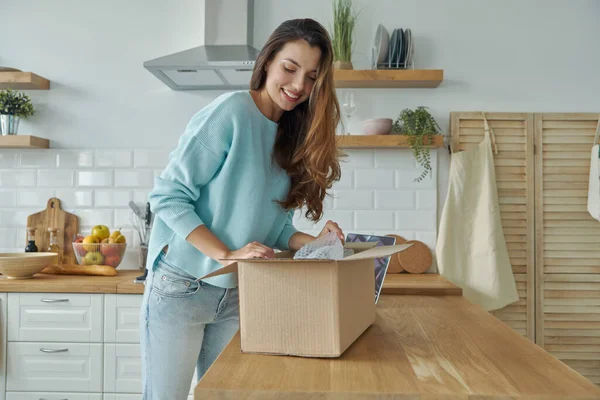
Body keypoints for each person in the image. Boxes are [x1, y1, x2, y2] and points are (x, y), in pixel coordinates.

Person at [140, 18, 346, 399]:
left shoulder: (290, 134)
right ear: (268, 62)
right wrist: (225, 252)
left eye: (312, 77)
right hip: (181, 284)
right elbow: (168, 195)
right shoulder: (231, 113)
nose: (299, 85)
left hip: (237, 290)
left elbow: (276, 226)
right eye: (290, 68)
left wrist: (316, 242)